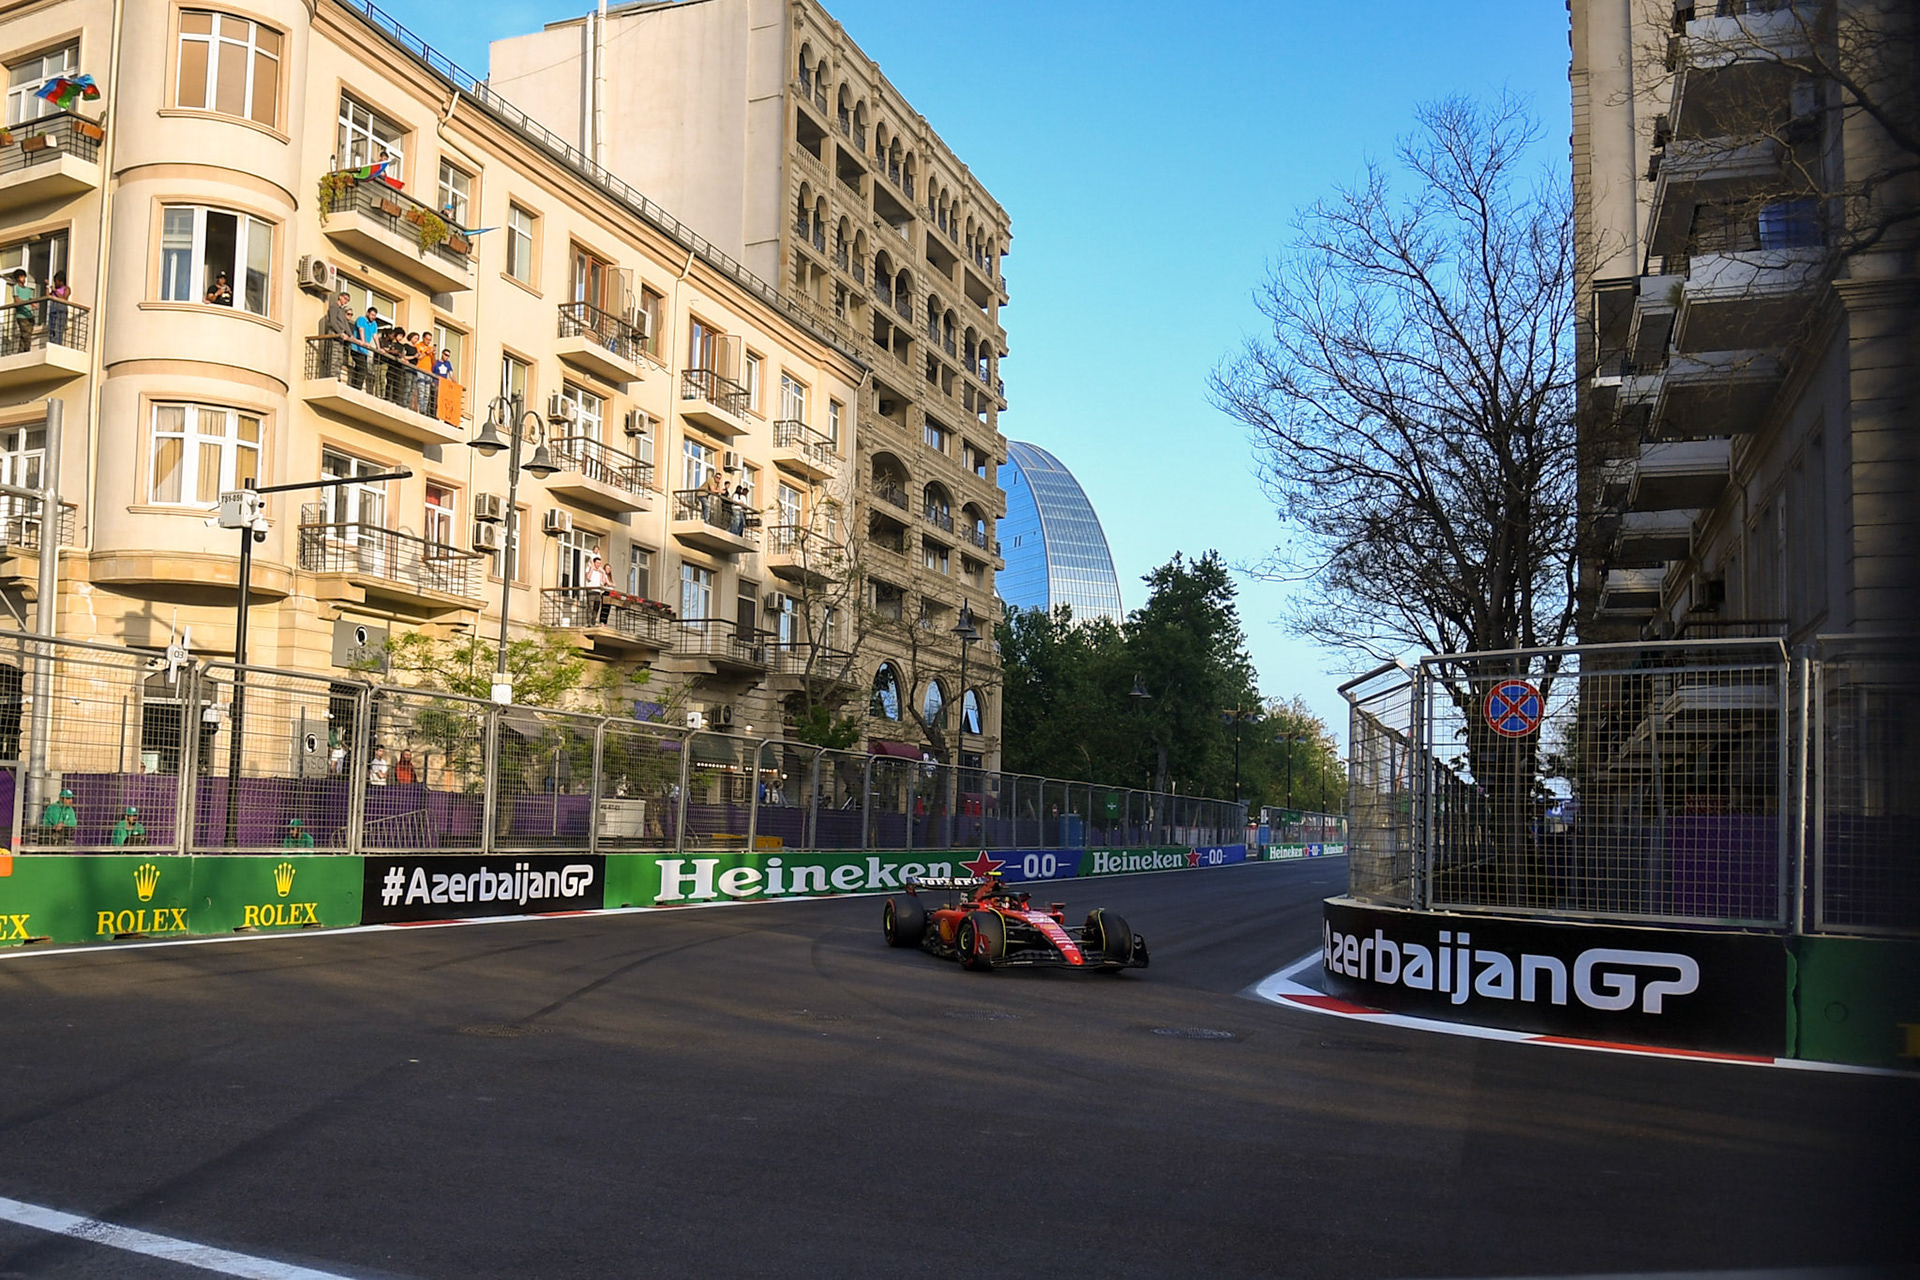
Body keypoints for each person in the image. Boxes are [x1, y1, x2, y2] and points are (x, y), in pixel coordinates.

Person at [323, 289, 356, 380]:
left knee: (339, 357)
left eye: (347, 300)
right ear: (340, 297)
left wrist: (351, 336)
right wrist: (340, 333)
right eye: (345, 298)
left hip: (341, 336)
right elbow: (332, 322)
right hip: (335, 334)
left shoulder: (341, 310)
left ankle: (337, 376)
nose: (345, 301)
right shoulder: (334, 307)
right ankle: (332, 376)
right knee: (334, 355)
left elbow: (345, 325)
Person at [7, 269, 33, 354]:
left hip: (29, 314)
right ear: (17, 278)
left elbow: (31, 300)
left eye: (24, 276)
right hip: (21, 315)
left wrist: (33, 304)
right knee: (26, 334)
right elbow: (16, 299)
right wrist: (24, 302)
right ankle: (26, 351)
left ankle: (21, 351)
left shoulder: (28, 290)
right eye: (21, 277)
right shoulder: (16, 287)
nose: (23, 278)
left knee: (26, 334)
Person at [583, 551, 612, 623]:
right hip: (591, 590)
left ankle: (593, 621)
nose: (599, 565)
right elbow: (588, 577)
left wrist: (603, 572)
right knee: (590, 607)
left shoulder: (600, 571)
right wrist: (592, 568)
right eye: (597, 563)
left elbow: (603, 582)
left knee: (596, 607)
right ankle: (589, 622)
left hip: (598, 591)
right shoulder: (589, 568)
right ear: (594, 562)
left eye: (600, 563)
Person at [46, 270, 69, 347]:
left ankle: (57, 345)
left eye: (56, 281)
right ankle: (52, 343)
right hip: (53, 309)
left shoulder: (66, 289)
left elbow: (64, 298)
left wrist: (55, 292)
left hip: (61, 309)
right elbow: (48, 296)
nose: (55, 283)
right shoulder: (54, 290)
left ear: (61, 281)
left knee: (58, 328)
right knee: (52, 328)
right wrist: (47, 286)